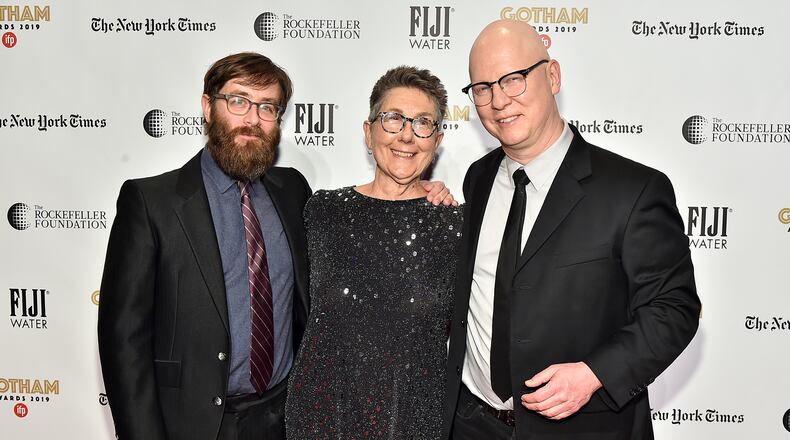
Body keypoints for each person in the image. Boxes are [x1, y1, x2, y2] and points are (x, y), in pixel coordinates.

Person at [97, 52, 453, 440]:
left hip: (284, 418)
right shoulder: (152, 202)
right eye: (239, 101)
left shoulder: (295, 193)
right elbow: (123, 342)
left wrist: (429, 197)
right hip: (192, 423)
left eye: (267, 107)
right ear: (207, 107)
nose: (252, 118)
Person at [442, 20, 701, 440]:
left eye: (513, 79)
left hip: (584, 429)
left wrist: (595, 374)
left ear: (552, 75)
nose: (499, 101)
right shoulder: (479, 177)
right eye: (483, 88)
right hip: (471, 424)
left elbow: (674, 308)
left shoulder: (633, 190)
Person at [285, 66, 463, 439]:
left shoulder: (455, 226)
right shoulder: (323, 212)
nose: (407, 136)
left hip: (415, 422)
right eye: (393, 119)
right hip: (321, 420)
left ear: (437, 140)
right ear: (369, 132)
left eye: (422, 123)